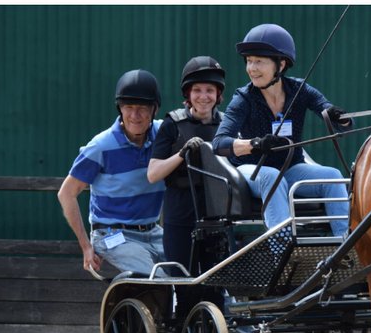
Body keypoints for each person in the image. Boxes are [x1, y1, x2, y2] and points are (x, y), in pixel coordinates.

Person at [213, 23, 352, 240]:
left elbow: (324, 107)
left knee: (333, 177)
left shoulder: (300, 90)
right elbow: (219, 143)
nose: (251, 68)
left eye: (259, 61)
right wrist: (256, 144)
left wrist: (338, 117)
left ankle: (344, 245)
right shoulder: (243, 98)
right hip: (254, 171)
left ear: (281, 64)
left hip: (290, 168)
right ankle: (283, 249)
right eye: (249, 61)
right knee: (272, 176)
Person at [58, 70, 166, 276]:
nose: (135, 115)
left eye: (142, 108)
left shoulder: (163, 135)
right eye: (128, 107)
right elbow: (66, 193)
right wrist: (85, 247)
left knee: (191, 271)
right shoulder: (101, 146)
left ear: (154, 110)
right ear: (120, 108)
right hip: (113, 234)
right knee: (158, 278)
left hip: (153, 231)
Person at [148, 56, 226, 274]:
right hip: (180, 215)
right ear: (188, 95)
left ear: (218, 94)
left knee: (215, 284)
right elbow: (153, 174)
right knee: (183, 281)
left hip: (216, 218)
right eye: (197, 90)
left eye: (210, 90)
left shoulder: (227, 125)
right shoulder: (172, 124)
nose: (203, 96)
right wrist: (182, 154)